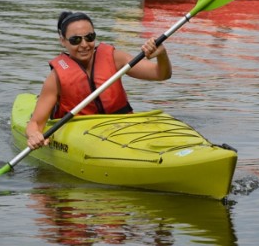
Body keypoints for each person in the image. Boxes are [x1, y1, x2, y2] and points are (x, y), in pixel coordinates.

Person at [25, 11, 172, 149]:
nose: (84, 45)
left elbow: (161, 74)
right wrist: (34, 135)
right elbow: (36, 123)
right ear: (63, 41)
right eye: (75, 40)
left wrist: (162, 55)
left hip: (122, 128)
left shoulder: (115, 58)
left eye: (89, 37)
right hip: (82, 136)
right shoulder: (56, 78)